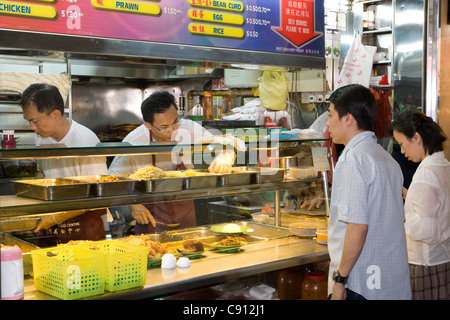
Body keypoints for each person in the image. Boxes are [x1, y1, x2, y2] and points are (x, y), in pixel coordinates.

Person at [108, 91, 237, 233]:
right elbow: (112, 180)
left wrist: (226, 154)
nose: (173, 130)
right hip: (150, 217)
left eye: (175, 122)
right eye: (164, 127)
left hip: (184, 210)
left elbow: (223, 143)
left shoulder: (188, 128)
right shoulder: (134, 141)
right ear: (148, 125)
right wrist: (133, 204)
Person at [326, 84, 411, 300]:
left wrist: (340, 280)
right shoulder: (386, 159)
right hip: (389, 280)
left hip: (361, 284)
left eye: (330, 115)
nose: (327, 124)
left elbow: (358, 227)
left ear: (348, 119)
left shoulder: (353, 160)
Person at [19, 83, 108, 245]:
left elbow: (95, 194)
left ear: (55, 115)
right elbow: (42, 174)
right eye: (29, 122)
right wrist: (31, 206)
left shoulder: (86, 140)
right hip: (50, 224)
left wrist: (51, 217)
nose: (32, 128)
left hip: (84, 227)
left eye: (35, 121)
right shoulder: (40, 137)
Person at [390, 110, 450, 300]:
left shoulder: (426, 173)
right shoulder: (443, 165)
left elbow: (428, 230)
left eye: (401, 144)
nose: (401, 151)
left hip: (426, 264)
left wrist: (399, 217)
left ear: (416, 137)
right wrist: (408, 195)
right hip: (442, 260)